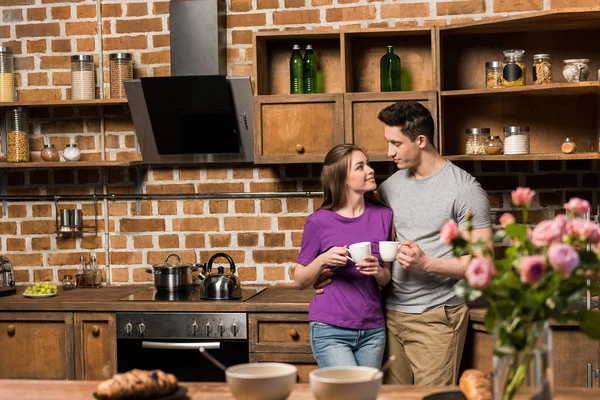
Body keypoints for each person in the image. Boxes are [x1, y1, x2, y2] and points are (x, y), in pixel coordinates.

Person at [314, 101, 492, 385]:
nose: (389, 152)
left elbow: (484, 264)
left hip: (436, 318)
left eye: (396, 143)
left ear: (421, 140)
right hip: (387, 317)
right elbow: (353, 228)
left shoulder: (465, 190)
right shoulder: (389, 188)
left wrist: (427, 263)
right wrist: (324, 272)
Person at [293, 143, 393, 369]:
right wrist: (322, 260)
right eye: (360, 167)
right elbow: (299, 280)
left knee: (366, 394)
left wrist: (379, 272)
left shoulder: (383, 215)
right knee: (348, 393)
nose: (370, 170)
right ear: (343, 179)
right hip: (330, 329)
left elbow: (386, 278)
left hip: (373, 330)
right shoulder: (318, 222)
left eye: (367, 164)